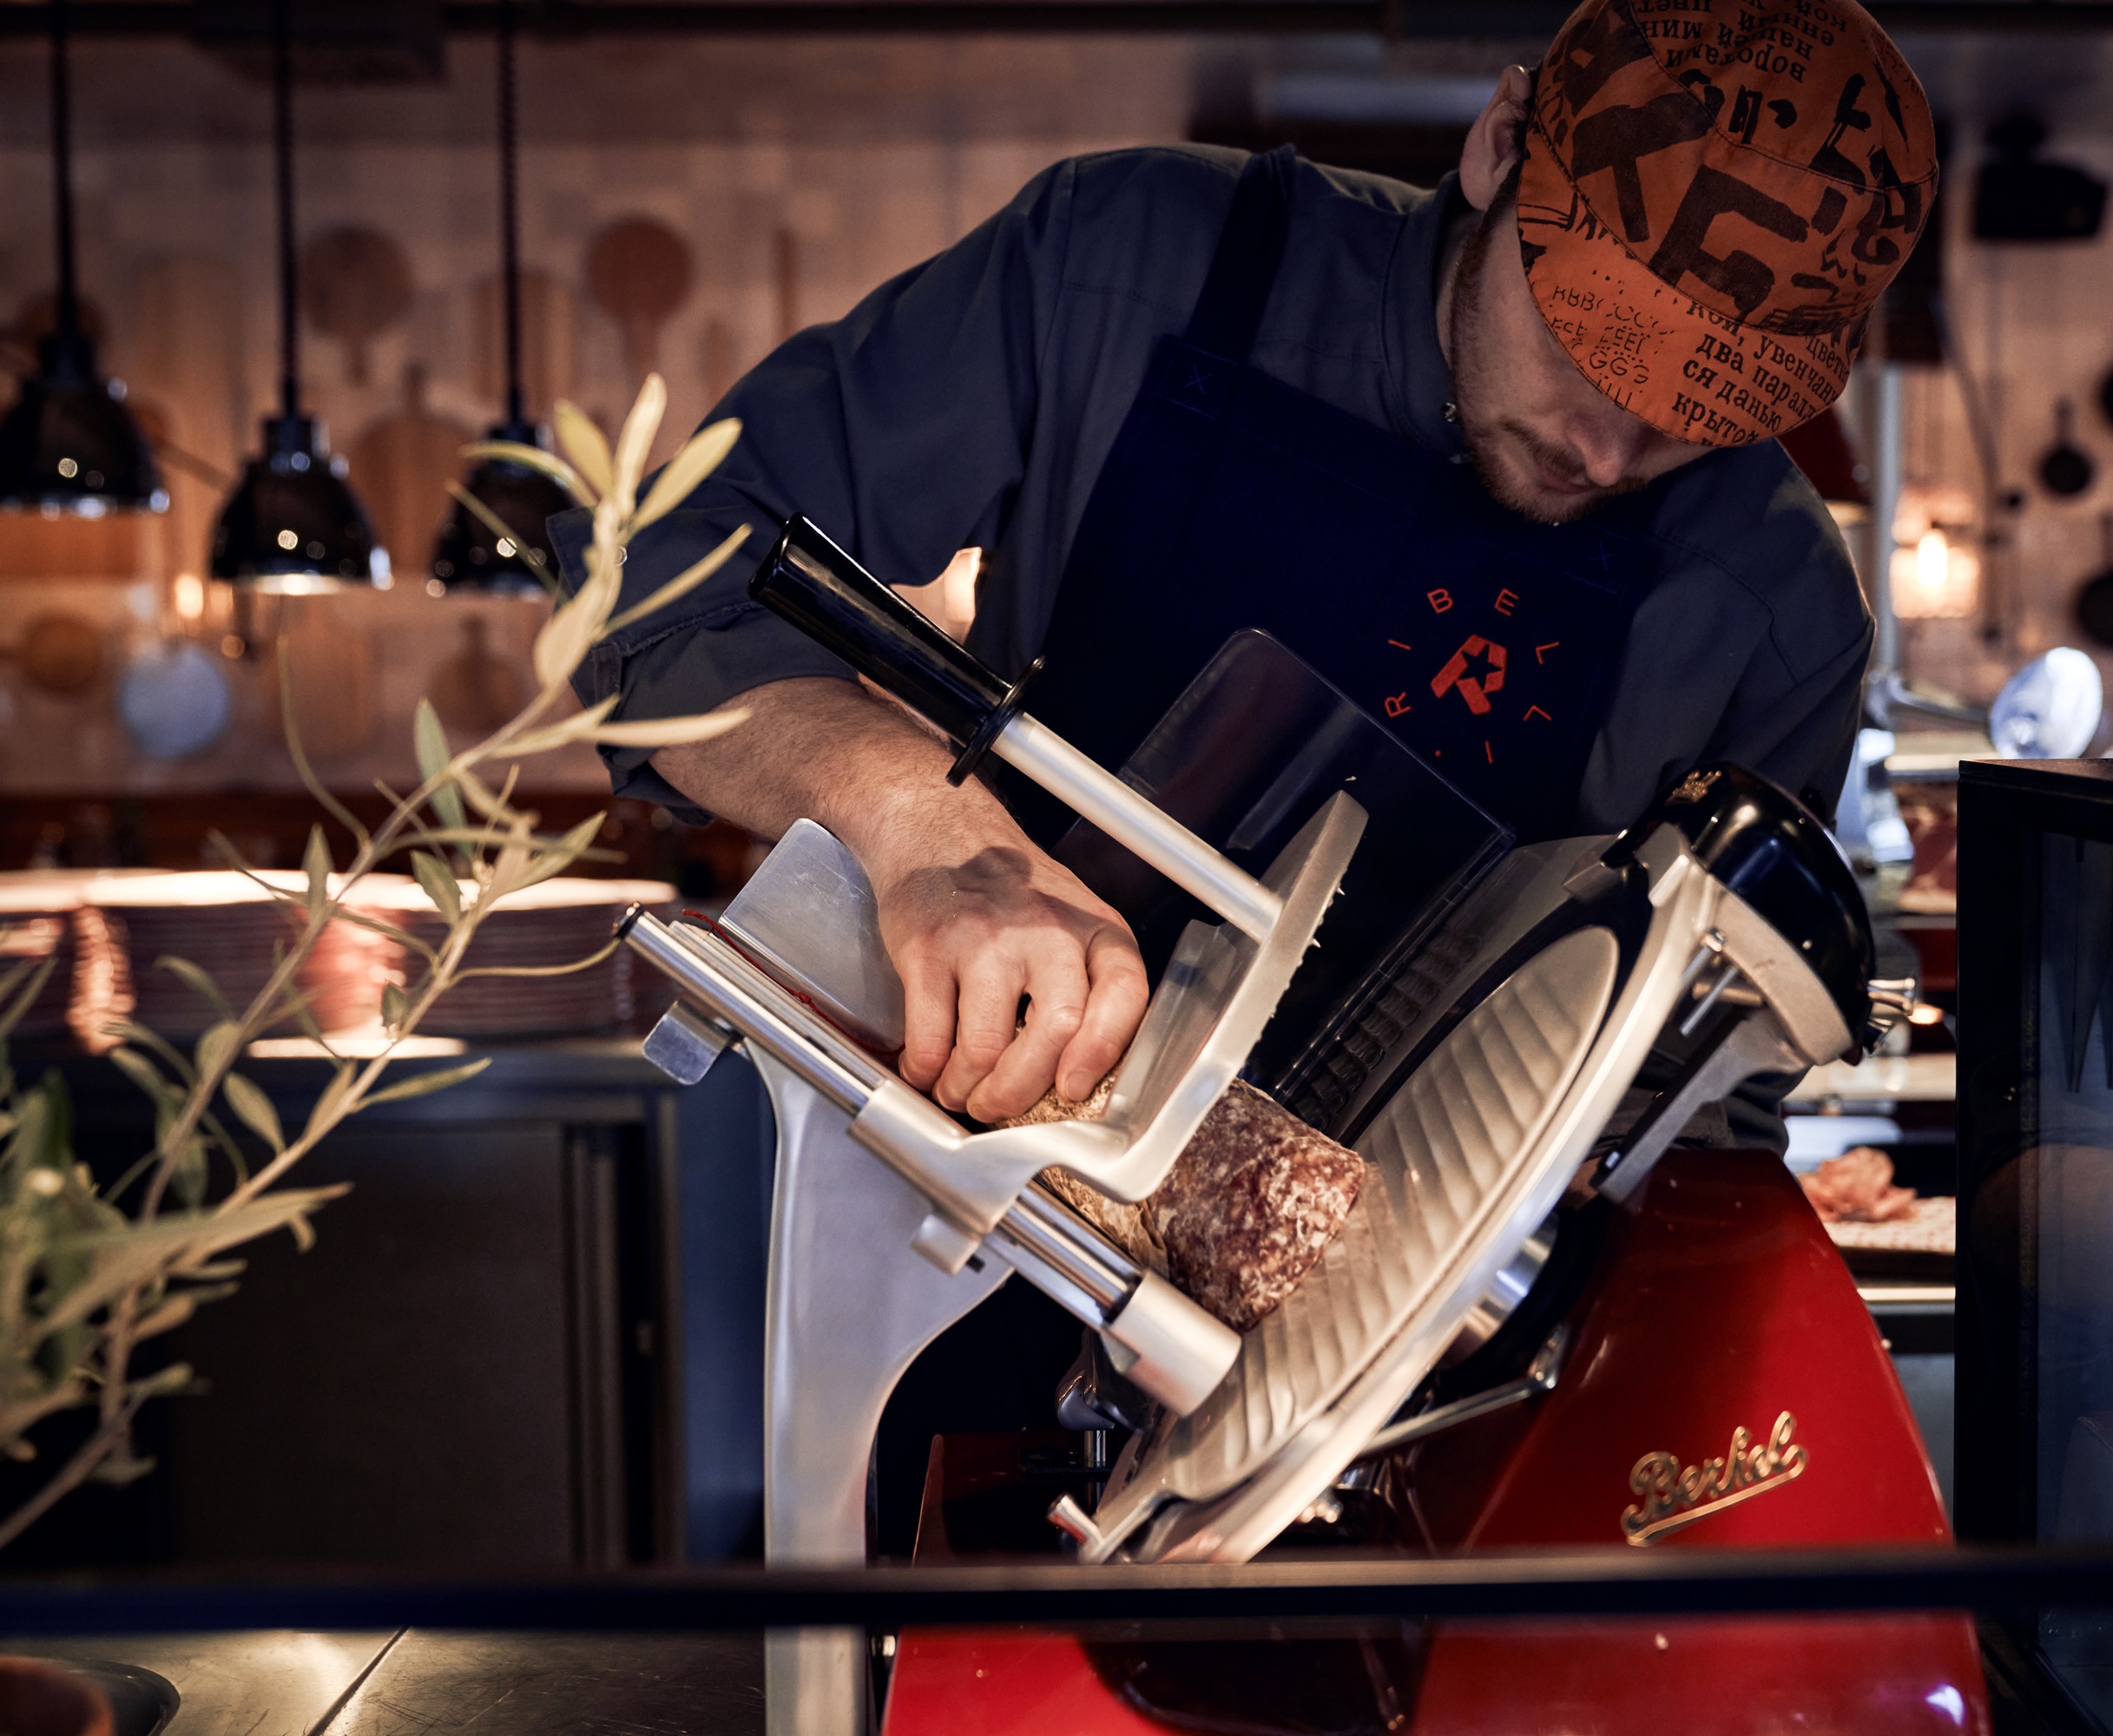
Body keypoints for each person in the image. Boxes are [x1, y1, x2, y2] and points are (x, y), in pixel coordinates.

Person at [574, 0, 1935, 1136]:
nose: (1611, 444)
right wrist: (923, 827)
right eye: (1591, 342)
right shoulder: (1128, 259)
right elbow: (668, 583)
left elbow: (1707, 1101)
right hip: (979, 1177)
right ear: (1499, 147)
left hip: (1419, 1331)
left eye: (1702, 407)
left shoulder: (1778, 605)